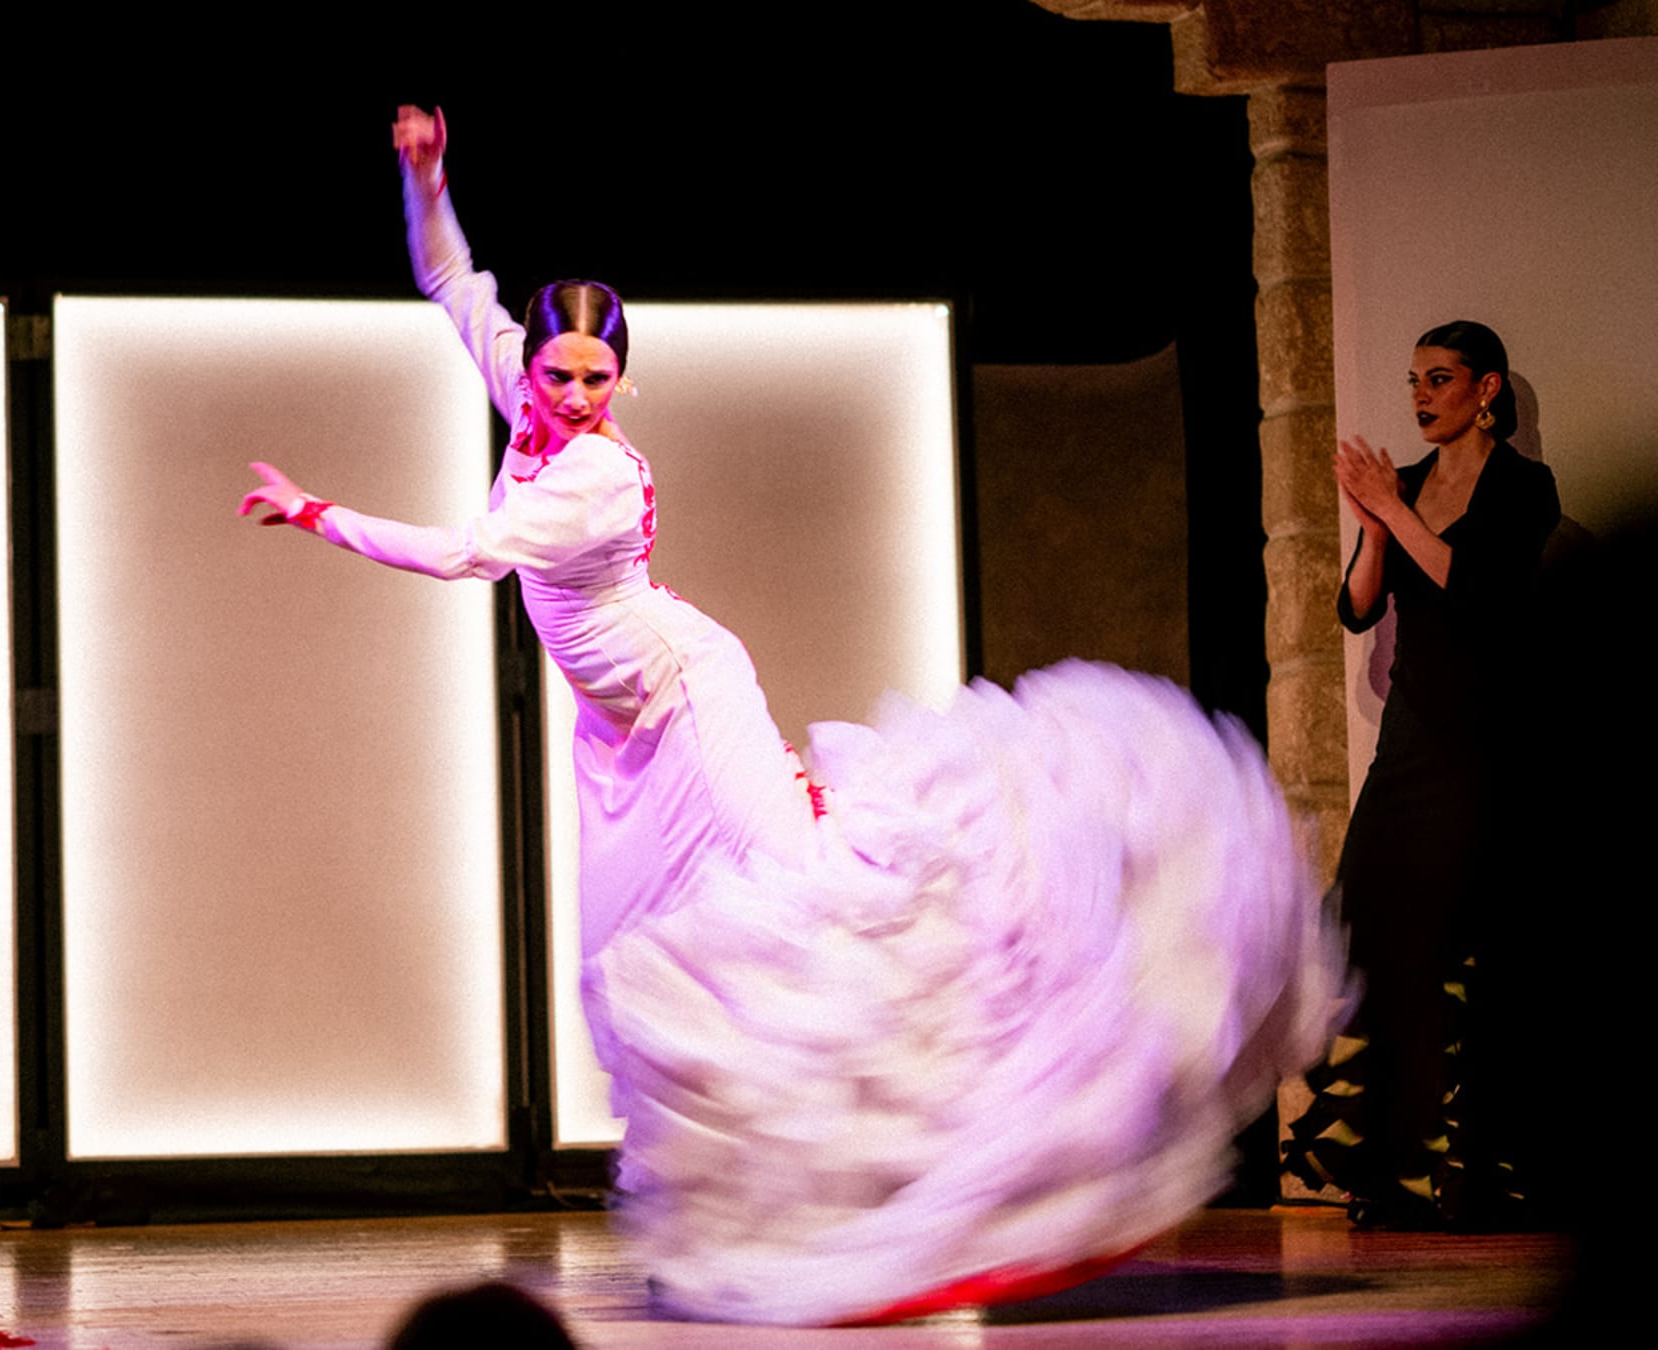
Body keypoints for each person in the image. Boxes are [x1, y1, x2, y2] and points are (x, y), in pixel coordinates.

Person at [235, 108, 1343, 1326]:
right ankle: (741, 1204)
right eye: (557, 376)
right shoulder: (523, 389)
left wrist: (319, 513)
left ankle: (938, 1154)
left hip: (691, 711)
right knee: (653, 963)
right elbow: (452, 280)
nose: (572, 397)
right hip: (620, 742)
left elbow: (469, 554)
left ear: (626, 378)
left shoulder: (596, 476)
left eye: (597, 380)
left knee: (806, 916)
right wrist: (428, 179)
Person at [1285, 321, 1560, 1229]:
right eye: (1412, 381)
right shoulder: (1399, 486)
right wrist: (1371, 525)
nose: (1420, 396)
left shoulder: (1525, 487)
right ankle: (1389, 1166)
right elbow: (1357, 611)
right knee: (1370, 929)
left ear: (1486, 389)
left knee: (1473, 957)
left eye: (1438, 380)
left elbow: (1482, 595)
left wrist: (1395, 513)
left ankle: (1480, 1175)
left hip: (1487, 744)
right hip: (1411, 743)